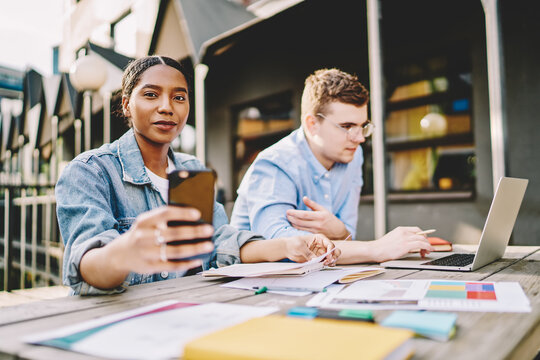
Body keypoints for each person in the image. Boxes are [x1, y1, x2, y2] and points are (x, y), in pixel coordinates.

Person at [55, 56, 338, 295]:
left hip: (186, 313)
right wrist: (127, 250)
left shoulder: (192, 172)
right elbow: (86, 266)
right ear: (127, 104)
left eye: (179, 97)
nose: (167, 107)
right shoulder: (90, 171)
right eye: (151, 94)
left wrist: (288, 245)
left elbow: (217, 243)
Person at [230, 68, 433, 264]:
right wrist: (377, 248)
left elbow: (346, 238)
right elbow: (279, 244)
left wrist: (340, 232)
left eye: (363, 126)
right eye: (346, 127)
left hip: (318, 280)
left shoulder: (354, 155)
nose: (360, 138)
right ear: (312, 125)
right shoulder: (274, 164)